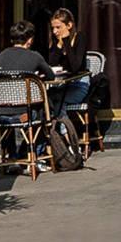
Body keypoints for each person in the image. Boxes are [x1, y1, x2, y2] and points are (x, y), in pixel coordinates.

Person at [0, 21, 79, 171]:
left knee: (9, 122)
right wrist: (35, 77)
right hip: (25, 114)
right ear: (30, 39)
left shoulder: (2, 55)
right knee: (46, 114)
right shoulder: (34, 56)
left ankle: (11, 157)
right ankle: (32, 156)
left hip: (0, 113)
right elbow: (51, 75)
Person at [45, 8, 110, 150]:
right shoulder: (56, 42)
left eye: (58, 27)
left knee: (57, 102)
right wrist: (59, 46)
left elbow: (76, 66)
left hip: (79, 85)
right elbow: (51, 64)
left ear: (69, 25)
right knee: (51, 101)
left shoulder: (80, 38)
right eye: (53, 28)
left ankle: (67, 144)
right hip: (62, 85)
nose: (55, 31)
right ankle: (65, 143)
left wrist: (66, 42)